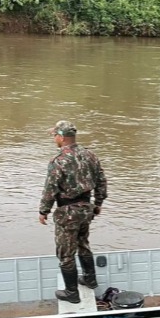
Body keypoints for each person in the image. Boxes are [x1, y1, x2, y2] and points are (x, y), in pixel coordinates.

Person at [38, 120, 108, 303]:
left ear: (61, 137)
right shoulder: (90, 155)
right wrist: (98, 203)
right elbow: (101, 181)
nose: (54, 139)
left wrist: (43, 211)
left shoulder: (58, 161)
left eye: (55, 136)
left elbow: (50, 189)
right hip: (86, 209)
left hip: (67, 212)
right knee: (83, 243)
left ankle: (72, 293)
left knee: (65, 253)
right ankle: (90, 279)